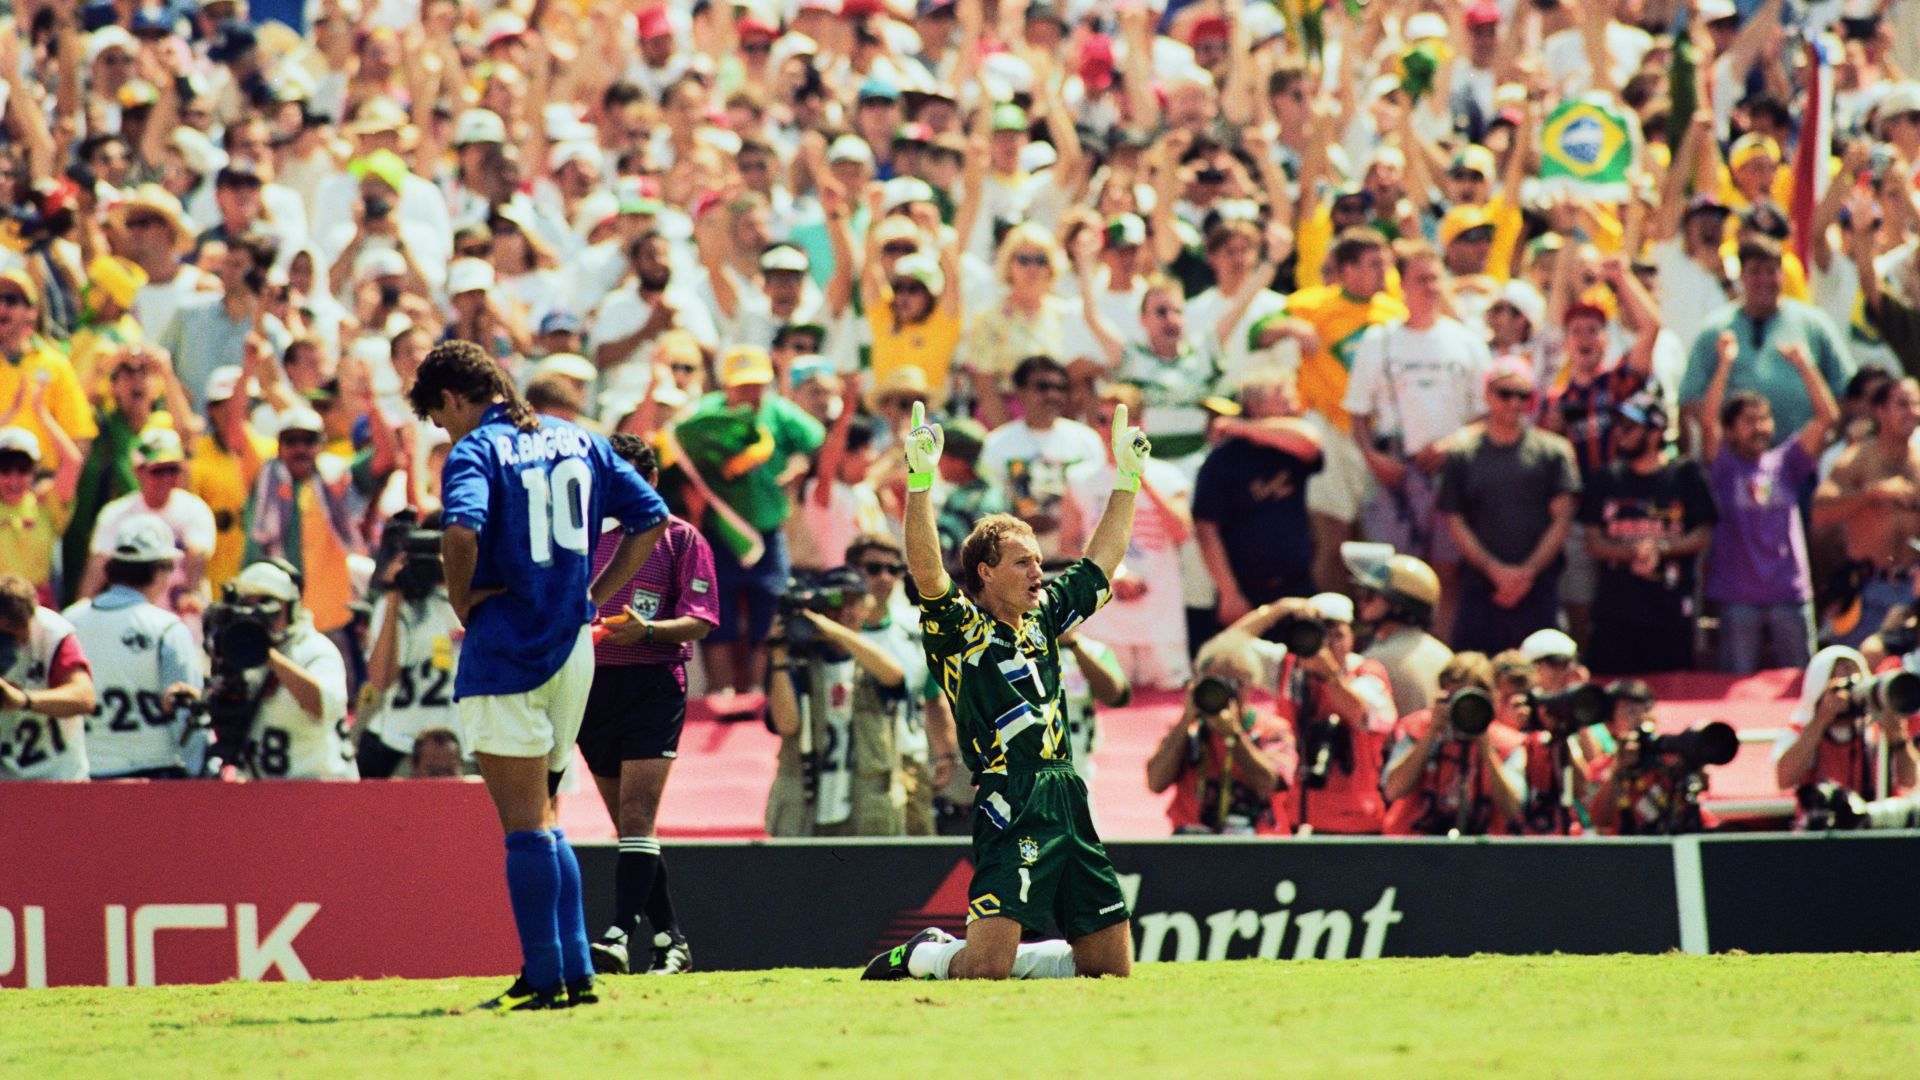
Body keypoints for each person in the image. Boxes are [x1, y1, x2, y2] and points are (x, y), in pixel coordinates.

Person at [409, 340, 669, 1011]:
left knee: (525, 824)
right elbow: (651, 518)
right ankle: (575, 969)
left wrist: (463, 600)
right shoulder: (577, 438)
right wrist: (594, 591)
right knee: (547, 817)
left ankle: (546, 974)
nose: (447, 431)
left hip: (510, 649)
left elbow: (460, 531)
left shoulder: (476, 451)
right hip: (573, 647)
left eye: (441, 418)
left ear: (457, 397)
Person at [865, 401, 1150, 982]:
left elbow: (1100, 563)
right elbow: (925, 571)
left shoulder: (1044, 617)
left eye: (1039, 561)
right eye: (1023, 563)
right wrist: (920, 482)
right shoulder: (961, 628)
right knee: (986, 968)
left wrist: (1127, 479)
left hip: (1067, 790)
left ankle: (1010, 959)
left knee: (1109, 969)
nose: (1038, 573)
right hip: (1008, 795)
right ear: (987, 572)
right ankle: (926, 953)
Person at [580, 436, 718, 978]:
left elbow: (701, 619)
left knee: (637, 815)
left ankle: (616, 936)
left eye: (633, 476)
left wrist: (649, 631)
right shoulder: (583, 538)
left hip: (653, 682)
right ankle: (671, 941)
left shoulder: (680, 538)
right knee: (629, 826)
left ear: (653, 480)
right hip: (590, 687)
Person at [1344, 243, 1490, 640]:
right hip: (1395, 466)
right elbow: (1357, 411)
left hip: (1450, 468)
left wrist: (1452, 444)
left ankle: (1438, 651)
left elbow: (1485, 413)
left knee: (1447, 570)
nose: (1430, 287)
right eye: (1420, 279)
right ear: (1402, 285)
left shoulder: (1467, 341)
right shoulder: (1380, 340)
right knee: (1393, 572)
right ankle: (1391, 653)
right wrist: (1373, 457)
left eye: (1435, 278)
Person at [1700, 332, 1836, 673]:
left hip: (1790, 594)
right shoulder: (1724, 466)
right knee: (1735, 694)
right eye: (1749, 421)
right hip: (1737, 598)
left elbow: (1827, 419)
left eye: (1764, 419)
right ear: (1730, 431)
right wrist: (1725, 364)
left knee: (1801, 685)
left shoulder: (1788, 461)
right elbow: (1706, 420)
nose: (1759, 427)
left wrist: (1805, 366)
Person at [1439, 357, 1581, 654]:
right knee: (1473, 679)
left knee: (1549, 679)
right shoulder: (1463, 455)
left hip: (1538, 589)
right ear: (1488, 394)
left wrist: (1525, 574)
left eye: (1523, 395)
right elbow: (1455, 521)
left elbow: (1562, 520)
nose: (1514, 403)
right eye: (1505, 393)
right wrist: (1495, 571)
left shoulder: (1553, 452)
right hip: (1481, 590)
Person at [1226, 593, 1398, 834]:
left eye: (1337, 635)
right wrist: (1276, 610)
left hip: (1355, 821)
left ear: (1352, 638)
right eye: (1320, 636)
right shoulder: (1287, 667)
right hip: (1294, 813)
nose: (1328, 645)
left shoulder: (1367, 674)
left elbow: (1360, 715)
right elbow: (1226, 648)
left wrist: (1330, 676)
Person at [764, 565, 911, 837]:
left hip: (865, 806)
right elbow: (786, 725)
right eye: (834, 603)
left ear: (867, 607)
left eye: (852, 601)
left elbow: (895, 676)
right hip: (806, 808)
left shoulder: (873, 658)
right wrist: (779, 656)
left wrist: (831, 630)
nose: (843, 611)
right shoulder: (796, 663)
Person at [1579, 393, 1719, 676]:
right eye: (1618, 427)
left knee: (1672, 691)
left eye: (1629, 428)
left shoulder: (1685, 475)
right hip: (1615, 613)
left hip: (1669, 613)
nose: (1620, 434)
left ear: (1655, 433)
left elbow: (1704, 535)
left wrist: (1661, 548)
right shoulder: (1606, 478)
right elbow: (1593, 541)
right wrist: (1634, 551)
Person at [63, 516, 203, 779]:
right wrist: (199, 773)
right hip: (153, 772)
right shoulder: (168, 628)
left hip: (82, 774)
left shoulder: (69, 621)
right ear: (161, 571)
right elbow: (188, 716)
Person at [848, 533, 961, 837]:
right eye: (873, 568)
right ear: (852, 571)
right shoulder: (837, 632)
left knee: (917, 857)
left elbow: (933, 698)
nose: (884, 578)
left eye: (893, 570)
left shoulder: (915, 626)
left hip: (910, 759)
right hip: (854, 763)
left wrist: (946, 753)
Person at [1192, 372, 1324, 627]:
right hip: (1247, 594)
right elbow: (1206, 529)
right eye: (1284, 400)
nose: (1294, 407)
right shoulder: (1222, 460)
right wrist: (1230, 594)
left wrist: (1235, 425)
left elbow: (1309, 440)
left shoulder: (1290, 449)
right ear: (1255, 405)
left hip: (1297, 586)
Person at [1145, 638, 1293, 835]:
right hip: (1193, 842)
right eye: (1216, 683)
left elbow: (1268, 784)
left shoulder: (1273, 730)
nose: (1225, 693)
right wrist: (1185, 720)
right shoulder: (1189, 729)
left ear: (1252, 685)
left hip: (1258, 845)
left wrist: (1233, 735)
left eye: (1236, 684)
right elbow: (1155, 782)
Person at [1813, 376, 1920, 649]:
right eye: (1903, 405)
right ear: (1880, 411)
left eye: (1917, 404)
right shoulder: (1857, 458)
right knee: (1859, 674)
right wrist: (1870, 494)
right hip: (1869, 589)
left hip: (1914, 589)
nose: (1913, 412)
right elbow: (1820, 512)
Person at [223, 561, 353, 784]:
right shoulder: (236, 652)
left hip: (316, 786)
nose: (258, 617)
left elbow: (325, 706)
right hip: (260, 788)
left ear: (290, 608)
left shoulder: (314, 649)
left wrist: (269, 657)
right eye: (247, 606)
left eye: (267, 606)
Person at [358, 513, 463, 781]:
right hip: (398, 740)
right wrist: (393, 594)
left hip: (460, 744)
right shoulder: (399, 604)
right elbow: (381, 680)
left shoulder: (476, 601)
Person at [1381, 651, 1526, 836]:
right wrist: (1431, 733)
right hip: (1417, 847)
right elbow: (1392, 790)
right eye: (1456, 699)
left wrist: (1485, 746)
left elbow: (1513, 809)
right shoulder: (1418, 728)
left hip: (1482, 851)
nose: (1463, 710)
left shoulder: (1507, 742)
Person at [975, 356, 1105, 561]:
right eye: (1042, 387)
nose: (1053, 395)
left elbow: (1100, 497)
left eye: (1061, 388)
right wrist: (1018, 522)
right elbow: (984, 505)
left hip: (1079, 559)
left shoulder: (1087, 440)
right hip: (1017, 562)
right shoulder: (997, 444)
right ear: (1020, 391)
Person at [1775, 645, 1918, 798]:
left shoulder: (1877, 729)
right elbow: (1785, 780)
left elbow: (1909, 782)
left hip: (1873, 817)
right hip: (1822, 818)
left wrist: (1898, 741)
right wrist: (1821, 720)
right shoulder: (1799, 730)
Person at [0, 573, 97, 781]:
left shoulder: (53, 633)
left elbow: (84, 697)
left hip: (58, 775)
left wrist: (24, 700)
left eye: (13, 631)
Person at [1346, 545, 1453, 720]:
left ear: (1398, 605)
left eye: (1370, 594)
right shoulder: (1443, 652)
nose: (1362, 602)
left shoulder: (1377, 659)